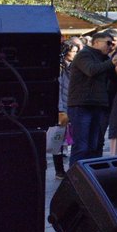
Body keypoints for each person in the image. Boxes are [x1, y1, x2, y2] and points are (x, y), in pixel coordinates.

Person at [67, 30, 117, 165]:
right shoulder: (84, 55)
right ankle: (75, 178)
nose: (111, 46)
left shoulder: (105, 58)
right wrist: (112, 63)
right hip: (81, 105)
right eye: (108, 43)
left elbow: (113, 79)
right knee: (81, 146)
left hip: (97, 105)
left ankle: (89, 177)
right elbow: (91, 70)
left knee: (94, 145)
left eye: (113, 43)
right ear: (96, 42)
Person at [48, 39, 82, 179]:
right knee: (59, 139)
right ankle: (59, 170)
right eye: (72, 52)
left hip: (73, 104)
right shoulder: (60, 68)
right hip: (63, 105)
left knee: (70, 138)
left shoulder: (75, 66)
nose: (74, 54)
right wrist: (60, 108)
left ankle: (69, 168)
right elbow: (59, 88)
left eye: (76, 52)